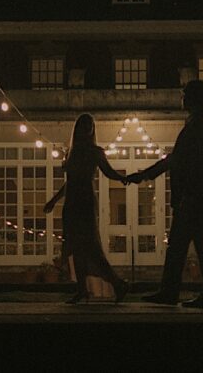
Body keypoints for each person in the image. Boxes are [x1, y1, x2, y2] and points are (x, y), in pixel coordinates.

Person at [126, 79, 203, 308]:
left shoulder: (198, 125)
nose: (182, 98)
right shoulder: (200, 123)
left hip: (194, 196)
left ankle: (177, 292)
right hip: (197, 195)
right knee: (195, 246)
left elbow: (177, 160)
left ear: (193, 98)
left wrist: (144, 174)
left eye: (184, 94)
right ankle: (198, 293)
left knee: (187, 246)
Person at [44, 113, 129, 304]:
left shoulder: (95, 151)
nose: (88, 127)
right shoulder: (72, 152)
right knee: (76, 248)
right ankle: (82, 289)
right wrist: (54, 200)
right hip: (72, 202)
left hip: (84, 202)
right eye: (84, 124)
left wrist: (124, 178)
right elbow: (69, 183)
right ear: (78, 128)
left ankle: (117, 283)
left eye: (90, 125)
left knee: (90, 247)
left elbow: (107, 171)